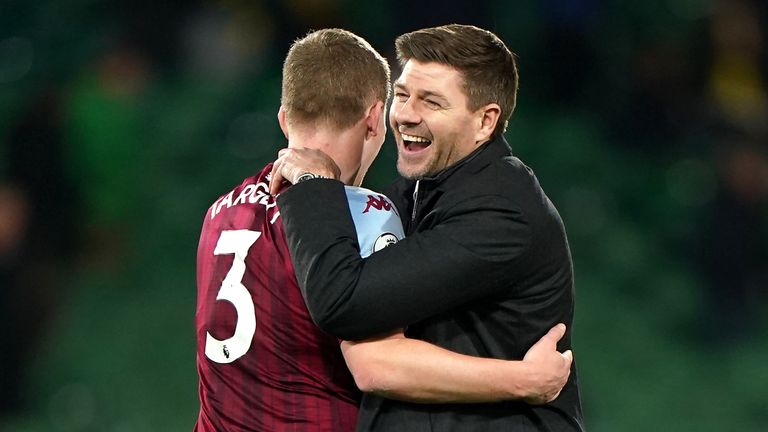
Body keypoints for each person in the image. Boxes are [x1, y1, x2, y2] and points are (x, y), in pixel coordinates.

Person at [196, 28, 573, 432]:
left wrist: (317, 190)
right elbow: (375, 364)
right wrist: (525, 379)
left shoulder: (222, 210)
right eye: (404, 95)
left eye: (431, 101)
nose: (408, 113)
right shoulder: (367, 211)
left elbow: (349, 311)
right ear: (376, 117)